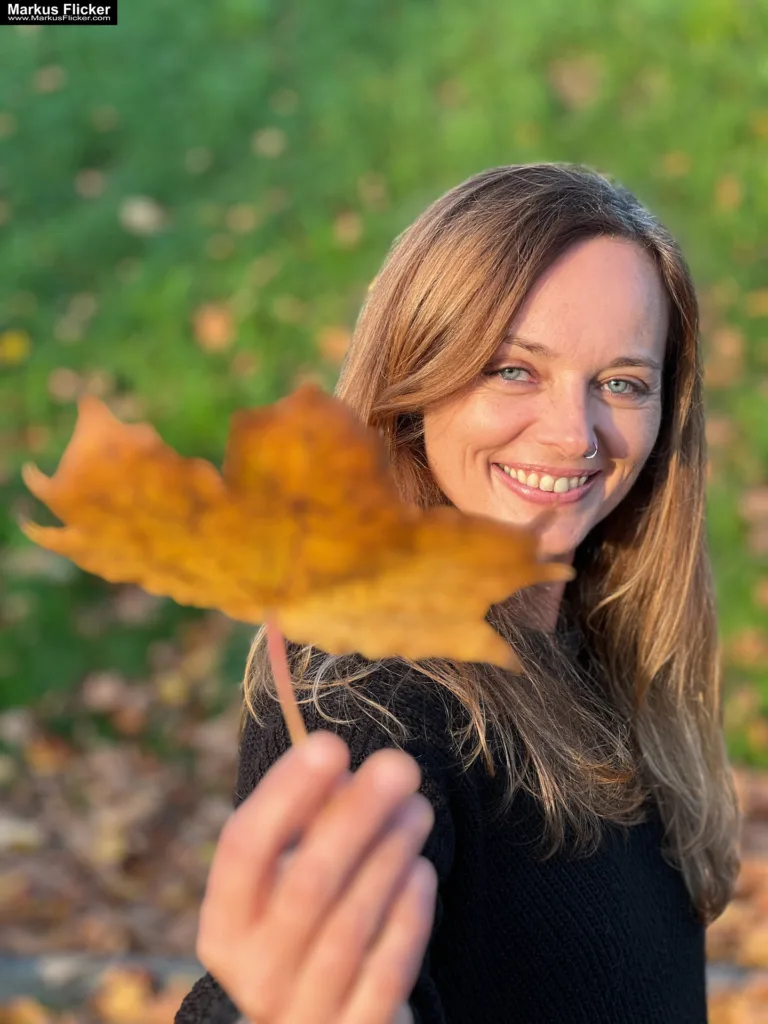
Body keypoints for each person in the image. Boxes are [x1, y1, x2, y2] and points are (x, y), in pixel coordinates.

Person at [175, 162, 742, 1024]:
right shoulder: (375, 700)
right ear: (414, 386)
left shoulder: (592, 647)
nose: (571, 433)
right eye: (514, 370)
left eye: (621, 383)